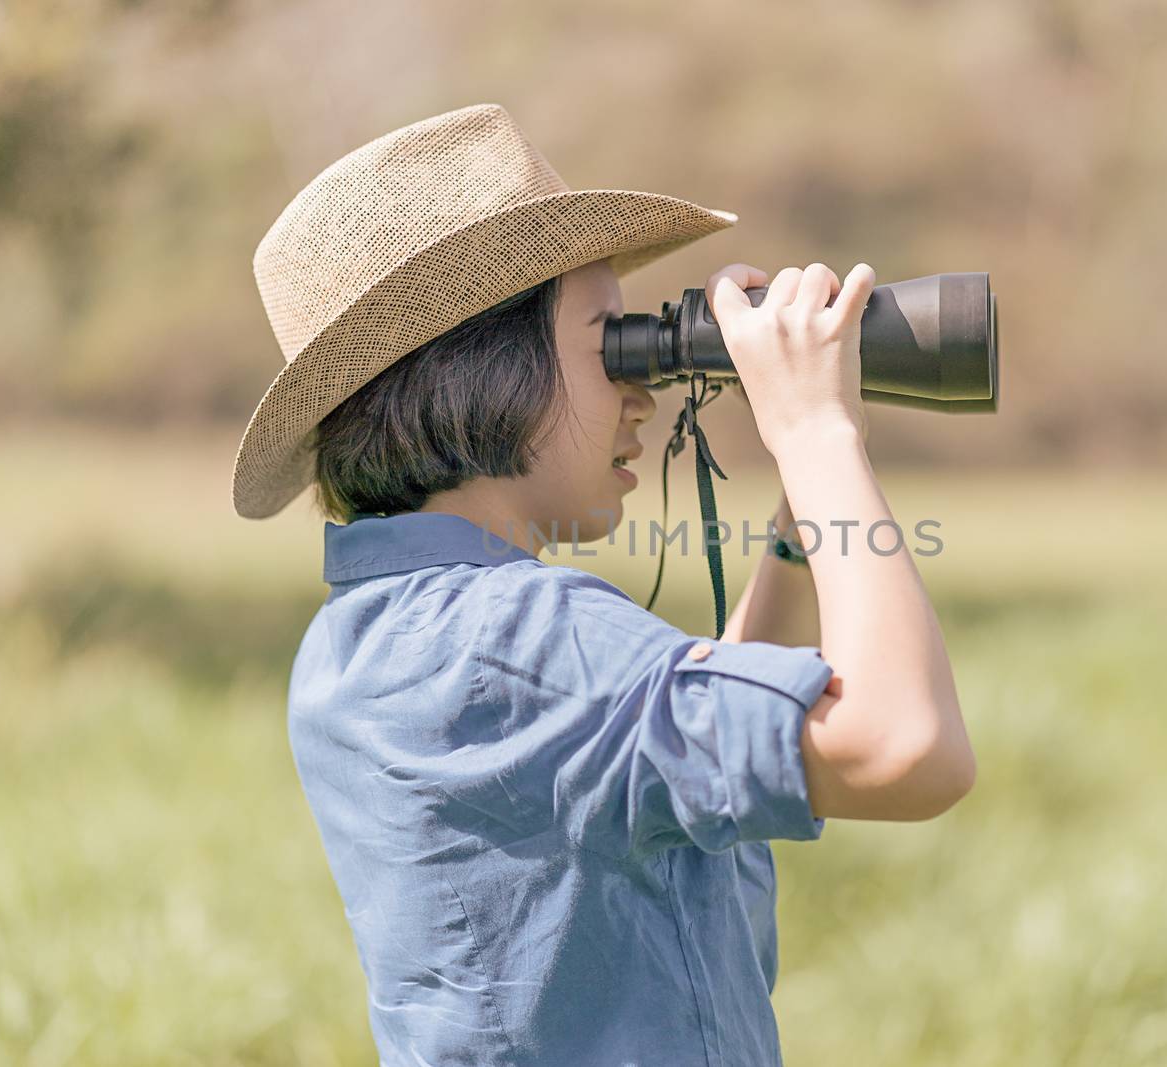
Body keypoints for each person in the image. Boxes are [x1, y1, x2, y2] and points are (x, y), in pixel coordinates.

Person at [232, 104, 975, 1067]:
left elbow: (711, 744)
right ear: (487, 369)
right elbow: (907, 748)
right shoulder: (517, 639)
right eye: (609, 342)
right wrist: (819, 434)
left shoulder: (367, 639)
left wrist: (804, 501)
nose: (644, 392)